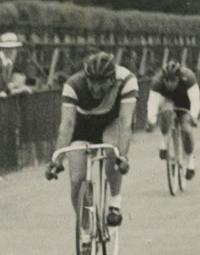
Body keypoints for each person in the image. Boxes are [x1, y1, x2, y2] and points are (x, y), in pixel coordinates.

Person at [45, 52, 137, 232]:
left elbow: (126, 122)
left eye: (101, 82)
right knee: (77, 179)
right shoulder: (73, 85)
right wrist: (57, 159)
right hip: (84, 126)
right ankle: (87, 229)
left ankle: (114, 203)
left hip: (112, 122)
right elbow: (67, 125)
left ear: (112, 80)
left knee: (112, 151)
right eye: (91, 81)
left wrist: (123, 156)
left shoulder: (126, 80)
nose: (95, 88)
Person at [146, 59, 200, 179]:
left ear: (179, 78)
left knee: (186, 129)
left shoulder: (188, 77)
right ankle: (163, 142)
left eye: (173, 81)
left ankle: (190, 160)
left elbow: (195, 100)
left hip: (184, 101)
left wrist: (194, 116)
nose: (170, 84)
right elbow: (152, 103)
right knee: (166, 111)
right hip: (167, 100)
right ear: (163, 79)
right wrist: (151, 120)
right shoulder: (157, 81)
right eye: (167, 81)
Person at [0, 32, 37, 98]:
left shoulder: (9, 63)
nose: (14, 52)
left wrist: (16, 87)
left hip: (2, 101)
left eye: (15, 48)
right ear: (4, 49)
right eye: (11, 49)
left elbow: (4, 85)